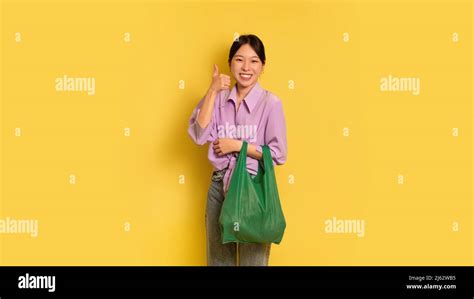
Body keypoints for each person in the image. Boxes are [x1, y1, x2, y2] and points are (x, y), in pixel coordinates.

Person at [187, 34, 288, 266]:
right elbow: (199, 134)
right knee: (218, 262)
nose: (246, 67)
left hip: (252, 189)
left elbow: (278, 154)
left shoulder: (271, 103)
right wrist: (212, 91)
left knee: (253, 262)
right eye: (239, 59)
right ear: (230, 62)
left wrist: (238, 146)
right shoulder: (219, 98)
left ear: (263, 66)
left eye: (254, 61)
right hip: (219, 187)